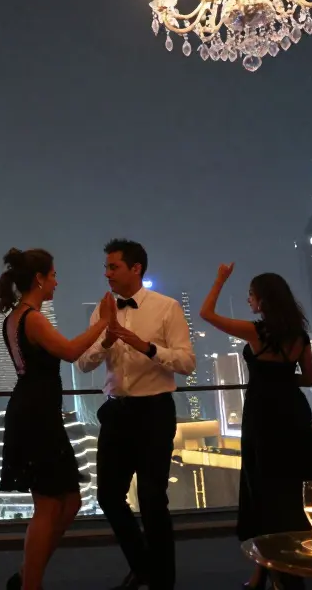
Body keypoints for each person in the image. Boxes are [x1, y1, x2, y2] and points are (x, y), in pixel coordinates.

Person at [0, 248, 116, 590]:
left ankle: (27, 573)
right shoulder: (32, 318)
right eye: (53, 276)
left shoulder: (16, 317)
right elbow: (70, 351)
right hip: (36, 417)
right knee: (48, 506)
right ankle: (30, 584)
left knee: (70, 501)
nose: (57, 282)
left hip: (35, 412)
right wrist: (104, 321)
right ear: (39, 278)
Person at [77, 239, 194, 590]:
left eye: (113, 267)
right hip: (116, 412)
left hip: (154, 411)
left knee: (153, 499)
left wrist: (144, 346)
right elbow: (83, 363)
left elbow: (186, 362)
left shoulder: (166, 307)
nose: (107, 274)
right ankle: (144, 567)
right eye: (106, 267)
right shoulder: (102, 311)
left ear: (136, 268)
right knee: (108, 496)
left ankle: (163, 582)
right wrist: (107, 341)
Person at [201, 265, 312, 590]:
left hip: (263, 414)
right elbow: (309, 379)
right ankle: (271, 570)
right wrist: (282, 380)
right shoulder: (299, 336)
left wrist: (219, 279)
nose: (248, 300)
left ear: (264, 299)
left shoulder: (256, 332)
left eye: (251, 295)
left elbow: (206, 314)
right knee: (296, 484)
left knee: (264, 488)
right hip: (293, 412)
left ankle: (274, 570)